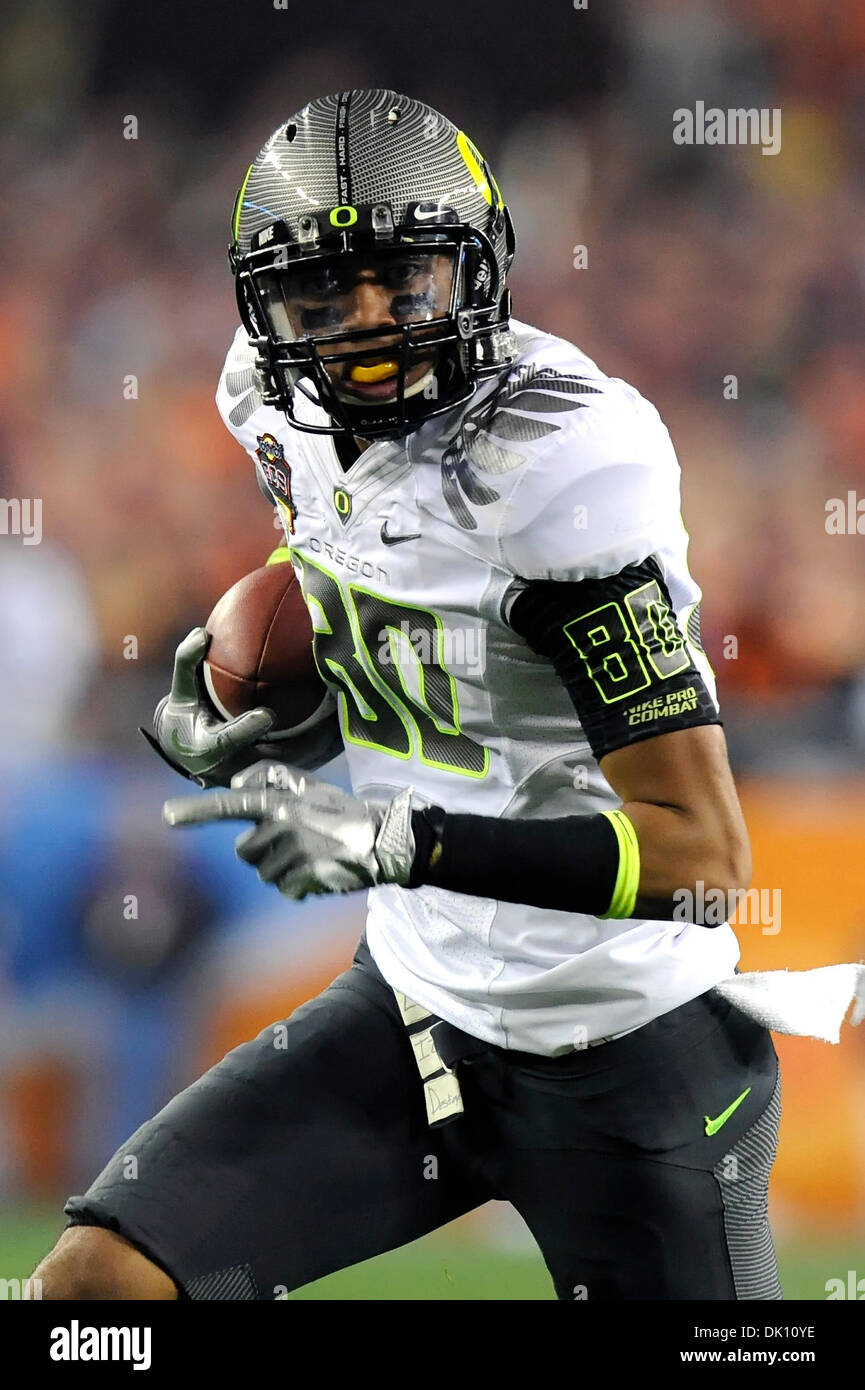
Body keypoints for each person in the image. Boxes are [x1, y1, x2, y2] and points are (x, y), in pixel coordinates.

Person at [35, 88, 784, 1301]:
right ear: (262, 309)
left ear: (479, 270)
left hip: (629, 1050)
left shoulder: (555, 465)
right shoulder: (275, 404)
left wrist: (398, 838)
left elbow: (704, 856)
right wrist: (253, 713)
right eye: (323, 296)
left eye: (405, 279)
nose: (369, 325)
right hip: (416, 1010)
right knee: (91, 1297)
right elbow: (376, 592)